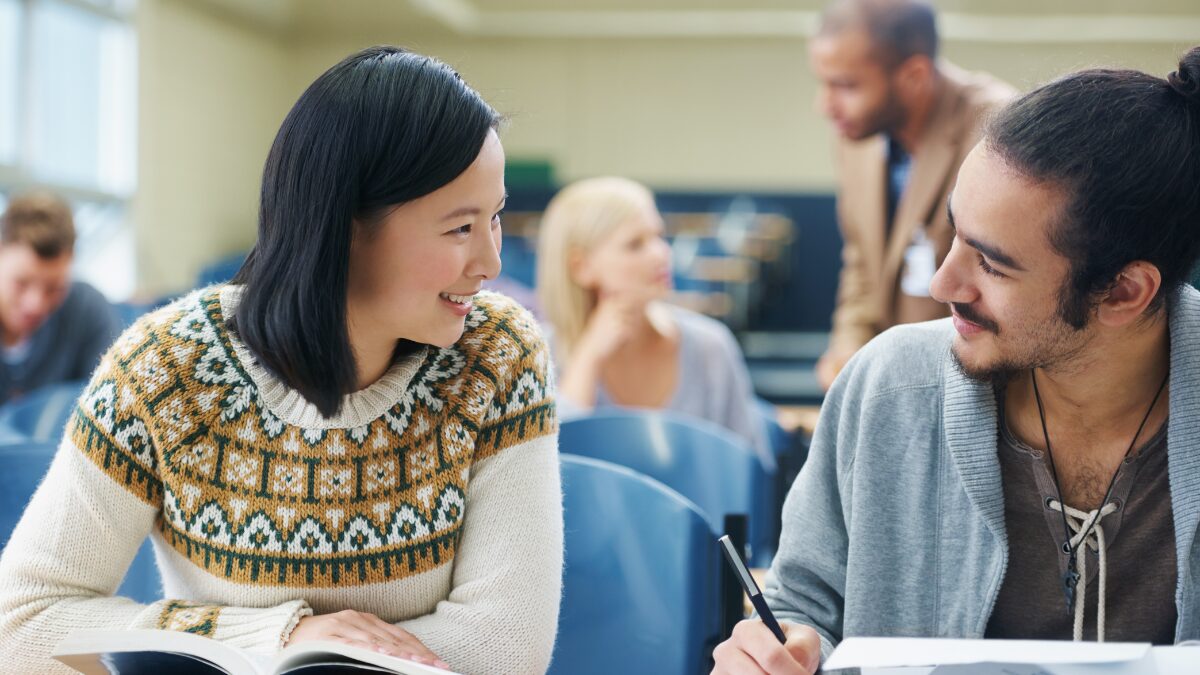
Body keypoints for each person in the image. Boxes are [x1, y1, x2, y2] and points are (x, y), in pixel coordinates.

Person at [0, 46, 562, 674]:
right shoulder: (166, 369)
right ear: (344, 225)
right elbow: (23, 619)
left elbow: (507, 649)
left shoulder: (498, 355)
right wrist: (276, 634)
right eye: (460, 228)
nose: (491, 263)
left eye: (496, 218)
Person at [712, 47, 1200, 674]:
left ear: (1124, 293)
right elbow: (803, 604)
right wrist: (772, 653)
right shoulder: (885, 386)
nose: (943, 283)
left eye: (992, 264)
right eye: (954, 235)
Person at [810, 0, 1015, 390]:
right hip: (894, 386)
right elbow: (863, 262)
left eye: (846, 85)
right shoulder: (856, 135)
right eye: (824, 82)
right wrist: (846, 351)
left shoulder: (999, 133)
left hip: (976, 388)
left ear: (914, 75)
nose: (824, 106)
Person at [536, 176, 772, 469]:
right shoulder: (538, 356)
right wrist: (589, 357)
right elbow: (548, 472)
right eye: (635, 244)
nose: (662, 254)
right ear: (580, 266)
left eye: (659, 236)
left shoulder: (710, 346)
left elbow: (752, 473)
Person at [0, 191, 119, 404]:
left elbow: (113, 399)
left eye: (53, 288)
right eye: (21, 283)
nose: (35, 304)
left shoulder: (87, 310)